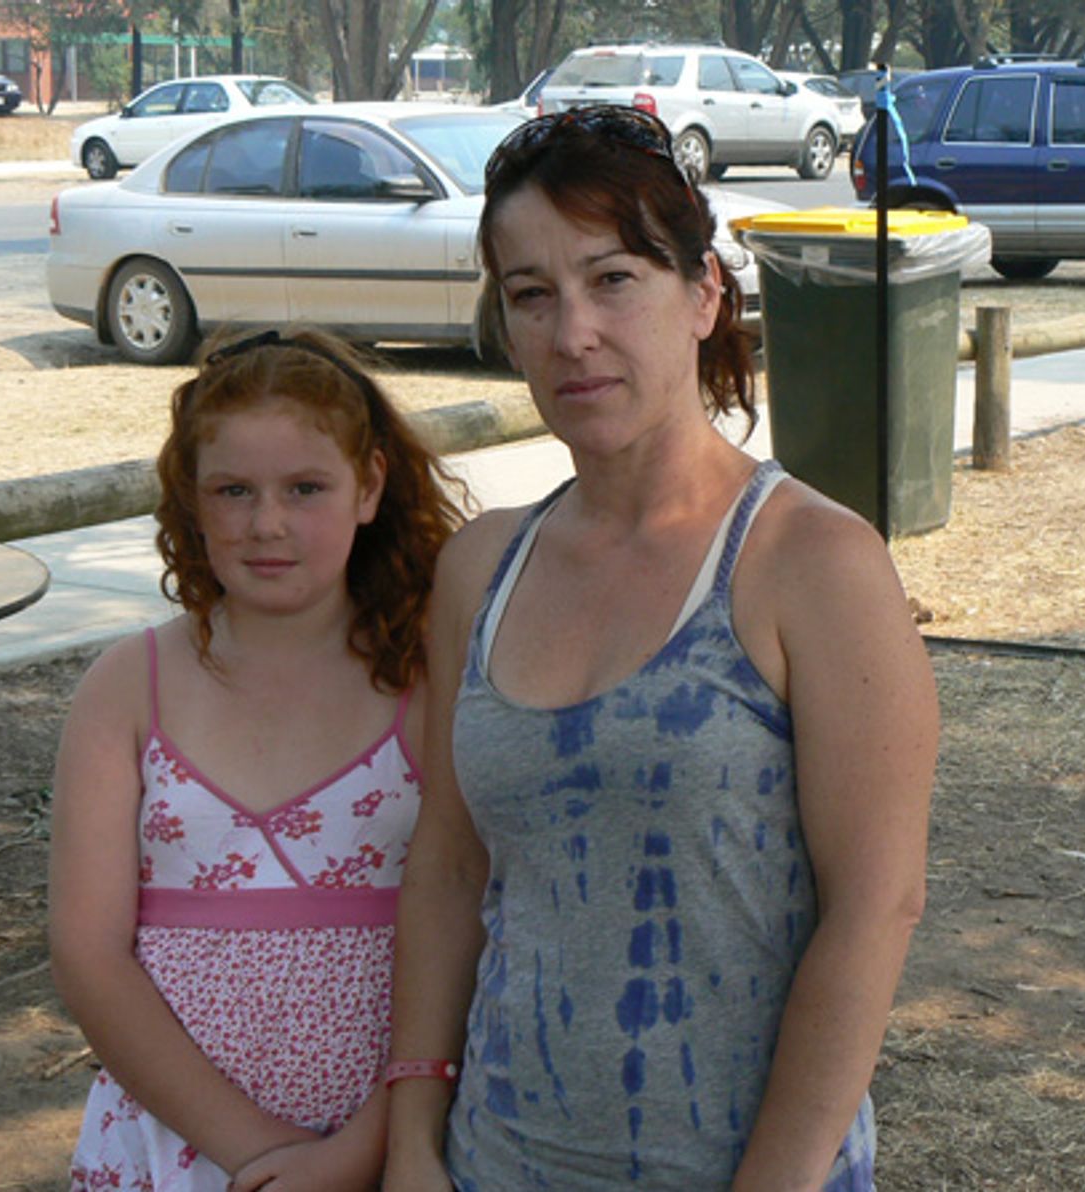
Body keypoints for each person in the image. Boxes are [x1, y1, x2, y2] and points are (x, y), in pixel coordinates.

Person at [382, 107, 938, 1191]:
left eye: (613, 279)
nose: (571, 332)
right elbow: (448, 866)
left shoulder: (811, 563)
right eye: (530, 294)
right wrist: (412, 1136)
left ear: (703, 294)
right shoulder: (480, 569)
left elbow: (876, 908)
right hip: (492, 1160)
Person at [49, 328, 464, 1191]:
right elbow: (89, 953)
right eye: (233, 490)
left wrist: (357, 1153)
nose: (267, 523)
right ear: (191, 500)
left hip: (391, 1146)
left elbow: (477, 919)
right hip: (174, 1144)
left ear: (369, 486)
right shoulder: (126, 689)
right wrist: (260, 1155)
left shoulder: (438, 685)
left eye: (305, 488)